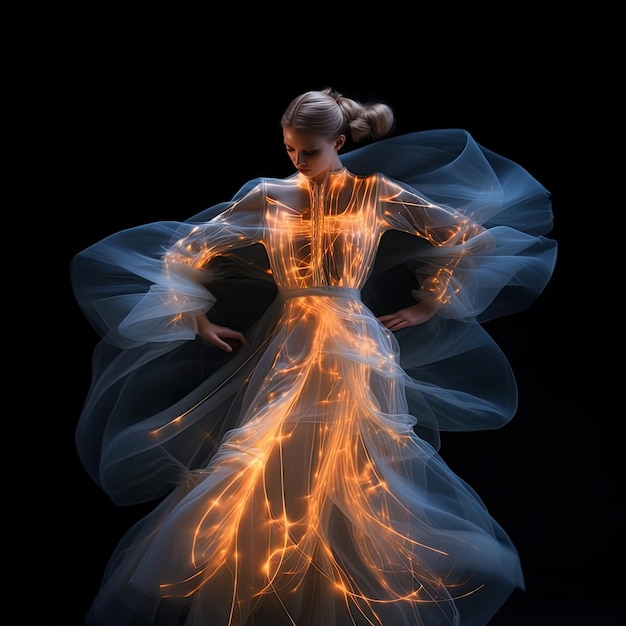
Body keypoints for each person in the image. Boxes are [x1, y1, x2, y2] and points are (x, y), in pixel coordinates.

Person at [71, 87, 558, 625]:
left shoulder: (377, 194)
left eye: (310, 151)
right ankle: (266, 596)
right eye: (290, 150)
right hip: (290, 340)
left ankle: (340, 598)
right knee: (272, 457)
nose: (299, 162)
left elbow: (470, 238)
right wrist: (196, 316)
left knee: (352, 466)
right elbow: (189, 248)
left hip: (352, 341)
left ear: (340, 141)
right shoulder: (270, 197)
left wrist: (428, 304)